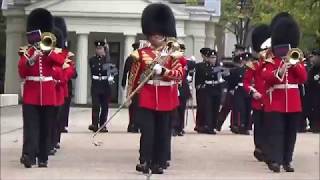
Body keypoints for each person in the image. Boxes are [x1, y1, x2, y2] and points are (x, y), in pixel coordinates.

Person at [127, 3, 183, 174]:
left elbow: (179, 74)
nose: (155, 37)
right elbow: (134, 77)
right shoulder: (141, 54)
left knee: (162, 132)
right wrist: (130, 96)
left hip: (166, 97)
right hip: (147, 96)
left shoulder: (173, 54)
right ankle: (145, 160)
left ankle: (159, 162)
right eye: (152, 34)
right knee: (147, 132)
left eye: (158, 34)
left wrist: (164, 71)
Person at [18, 8, 65, 168]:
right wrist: (32, 58)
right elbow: (22, 72)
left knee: (45, 127)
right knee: (31, 127)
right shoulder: (26, 52)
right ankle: (29, 155)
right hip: (31, 94)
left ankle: (43, 157)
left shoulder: (50, 51)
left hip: (48, 95)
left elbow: (60, 62)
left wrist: (47, 52)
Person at [262, 14, 307, 173]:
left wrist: (292, 63)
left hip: (293, 103)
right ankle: (276, 160)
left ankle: (287, 160)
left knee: (290, 133)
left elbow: (303, 78)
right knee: (277, 132)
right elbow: (266, 77)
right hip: (277, 102)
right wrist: (280, 69)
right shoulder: (271, 61)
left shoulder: (296, 60)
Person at [243, 24, 271, 161]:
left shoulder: (273, 64)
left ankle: (268, 148)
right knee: (259, 126)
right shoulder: (253, 65)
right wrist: (253, 92)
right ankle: (259, 147)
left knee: (269, 126)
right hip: (258, 100)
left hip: (271, 100)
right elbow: (247, 83)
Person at [195, 48, 226, 134]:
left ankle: (213, 125)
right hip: (207, 89)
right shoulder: (203, 66)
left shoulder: (218, 67)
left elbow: (221, 79)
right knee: (208, 108)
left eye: (214, 57)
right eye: (211, 57)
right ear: (208, 58)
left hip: (216, 89)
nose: (213, 59)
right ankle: (207, 126)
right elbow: (202, 76)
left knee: (215, 108)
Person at [88, 40, 114, 133]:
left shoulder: (108, 60)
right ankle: (94, 124)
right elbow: (94, 70)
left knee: (104, 106)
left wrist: (108, 61)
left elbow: (113, 72)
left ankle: (102, 125)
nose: (99, 50)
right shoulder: (92, 60)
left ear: (104, 49)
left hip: (105, 85)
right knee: (95, 105)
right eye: (97, 48)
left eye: (101, 48)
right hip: (95, 84)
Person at [172, 43, 196, 136]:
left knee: (181, 109)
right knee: (173, 108)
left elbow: (193, 66)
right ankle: (173, 127)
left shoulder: (186, 61)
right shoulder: (171, 60)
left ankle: (180, 127)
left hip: (182, 87)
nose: (180, 52)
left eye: (182, 50)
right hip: (173, 86)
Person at [122, 42, 140, 133]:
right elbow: (125, 71)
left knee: (136, 106)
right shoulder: (131, 58)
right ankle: (132, 124)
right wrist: (123, 83)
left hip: (139, 85)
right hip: (133, 84)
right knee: (133, 106)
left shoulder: (140, 58)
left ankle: (134, 124)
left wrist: (123, 83)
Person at [306, 49, 320, 133]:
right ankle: (314, 125)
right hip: (314, 95)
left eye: (314, 56)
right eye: (312, 57)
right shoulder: (312, 70)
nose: (312, 59)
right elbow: (309, 81)